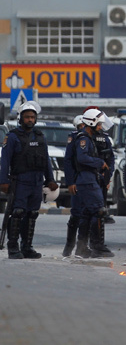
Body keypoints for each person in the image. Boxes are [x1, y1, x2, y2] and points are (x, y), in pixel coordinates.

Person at [0, 102, 58, 259]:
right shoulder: (12, 137)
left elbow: (46, 160)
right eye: (27, 117)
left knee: (32, 214)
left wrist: (50, 179)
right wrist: (3, 181)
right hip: (20, 181)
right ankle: (13, 247)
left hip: (37, 181)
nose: (30, 120)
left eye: (32, 117)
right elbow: (5, 161)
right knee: (18, 213)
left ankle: (27, 247)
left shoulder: (40, 137)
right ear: (21, 118)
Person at [74, 108, 113, 258]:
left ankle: (81, 248)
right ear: (91, 123)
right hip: (86, 179)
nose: (100, 128)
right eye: (98, 125)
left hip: (92, 178)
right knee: (98, 210)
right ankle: (97, 247)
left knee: (88, 213)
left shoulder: (90, 138)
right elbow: (82, 158)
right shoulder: (83, 139)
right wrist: (100, 163)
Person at [62, 114, 85, 257]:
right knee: (76, 214)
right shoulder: (74, 138)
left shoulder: (96, 137)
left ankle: (83, 247)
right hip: (77, 180)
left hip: (92, 181)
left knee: (91, 215)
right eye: (80, 127)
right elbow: (68, 161)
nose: (82, 129)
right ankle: (69, 246)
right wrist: (70, 182)